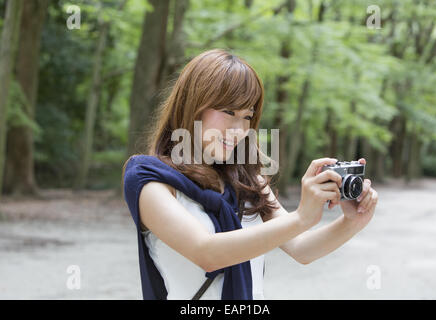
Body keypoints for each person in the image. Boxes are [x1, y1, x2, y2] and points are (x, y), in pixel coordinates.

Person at [122, 48, 379, 300]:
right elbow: (206, 253)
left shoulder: (247, 180)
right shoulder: (149, 180)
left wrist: (352, 222)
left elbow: (301, 249)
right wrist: (302, 217)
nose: (238, 128)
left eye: (247, 116)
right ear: (193, 105)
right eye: (228, 112)